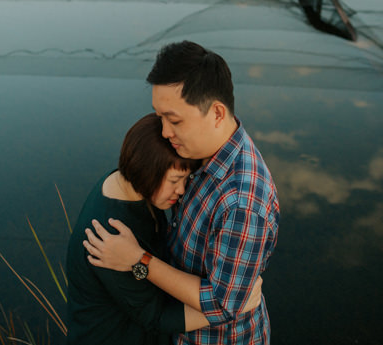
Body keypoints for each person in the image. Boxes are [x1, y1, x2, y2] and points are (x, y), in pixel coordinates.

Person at [84, 40, 280, 345]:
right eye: (160, 116)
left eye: (174, 120)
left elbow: (222, 305)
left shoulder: (242, 204)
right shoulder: (201, 152)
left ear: (216, 114)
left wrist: (139, 260)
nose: (163, 132)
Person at [65, 112, 263, 344]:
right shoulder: (107, 237)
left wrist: (138, 261)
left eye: (186, 179)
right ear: (147, 168)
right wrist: (232, 307)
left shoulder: (129, 188)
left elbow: (138, 274)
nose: (181, 191)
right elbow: (156, 316)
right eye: (174, 180)